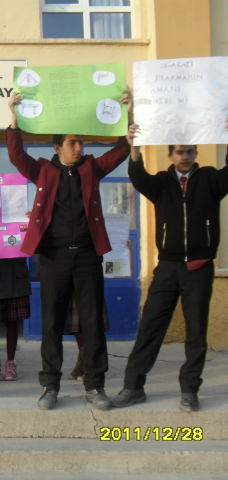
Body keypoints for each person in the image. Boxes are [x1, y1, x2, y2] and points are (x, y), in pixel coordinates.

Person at [6, 90, 134, 411]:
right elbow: (16, 154)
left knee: (92, 322)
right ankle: (50, 385)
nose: (79, 147)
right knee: (51, 322)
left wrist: (127, 115)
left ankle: (95, 385)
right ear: (57, 147)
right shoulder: (43, 171)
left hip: (88, 256)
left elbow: (121, 150)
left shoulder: (91, 168)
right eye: (72, 143)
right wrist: (13, 115)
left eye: (81, 143)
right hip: (53, 257)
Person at [112, 128, 228, 412]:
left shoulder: (211, 179)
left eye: (189, 152)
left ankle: (190, 390)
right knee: (150, 327)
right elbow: (138, 178)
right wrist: (134, 147)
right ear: (170, 155)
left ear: (196, 154)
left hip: (199, 267)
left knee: (196, 332)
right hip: (166, 267)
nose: (185, 157)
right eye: (179, 152)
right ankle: (133, 387)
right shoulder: (163, 182)